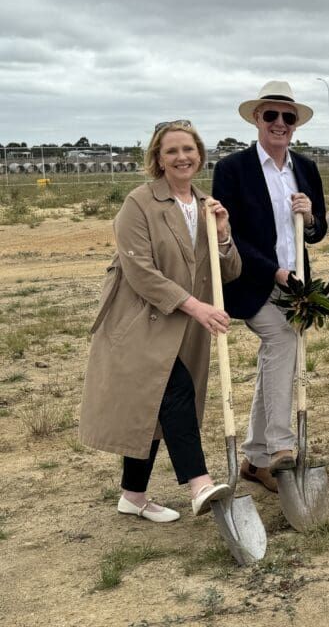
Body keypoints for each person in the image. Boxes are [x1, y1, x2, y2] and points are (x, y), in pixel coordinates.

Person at [80, 121, 239, 521]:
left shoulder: (207, 205)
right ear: (158, 159)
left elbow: (229, 271)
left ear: (200, 155)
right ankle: (199, 484)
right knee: (174, 391)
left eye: (188, 149)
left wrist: (222, 234)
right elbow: (140, 272)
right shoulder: (139, 203)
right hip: (142, 323)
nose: (182, 157)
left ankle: (133, 496)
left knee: (153, 406)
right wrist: (196, 307)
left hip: (183, 327)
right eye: (172, 151)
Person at [212, 81, 328, 492]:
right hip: (253, 282)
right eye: (271, 115)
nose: (280, 123)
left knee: (275, 361)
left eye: (288, 117)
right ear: (257, 119)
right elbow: (231, 235)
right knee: (280, 342)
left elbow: (316, 234)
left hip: (298, 286)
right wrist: (274, 271)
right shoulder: (232, 169)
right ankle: (281, 445)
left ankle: (255, 458)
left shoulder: (306, 169)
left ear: (295, 125)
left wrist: (310, 216)